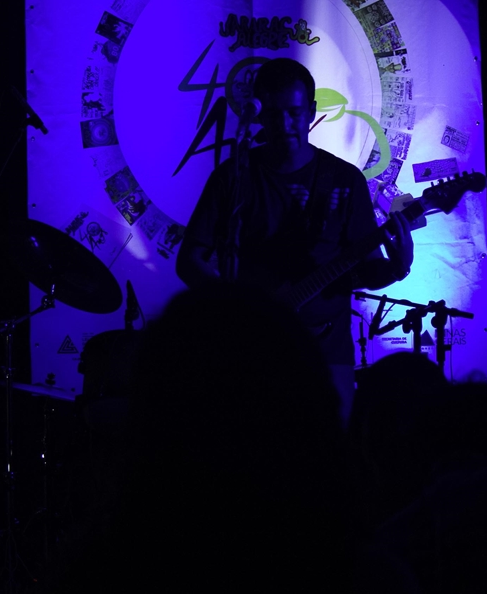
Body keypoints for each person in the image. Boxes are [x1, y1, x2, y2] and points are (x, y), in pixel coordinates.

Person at [177, 57, 414, 423]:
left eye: (294, 113)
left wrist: (398, 268)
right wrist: (237, 310)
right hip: (250, 350)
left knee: (329, 446)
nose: (285, 125)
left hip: (326, 349)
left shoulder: (344, 179)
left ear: (312, 112)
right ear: (258, 115)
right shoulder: (233, 176)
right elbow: (189, 261)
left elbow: (366, 271)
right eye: (274, 114)